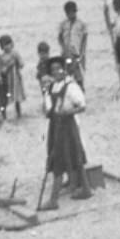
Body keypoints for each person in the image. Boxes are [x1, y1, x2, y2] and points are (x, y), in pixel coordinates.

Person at [40, 56, 92, 211]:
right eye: (53, 70)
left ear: (64, 69)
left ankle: (54, 199)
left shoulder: (71, 86)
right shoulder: (53, 87)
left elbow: (82, 106)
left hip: (68, 125)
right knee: (60, 157)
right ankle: (81, 188)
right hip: (56, 126)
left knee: (69, 157)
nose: (56, 72)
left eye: (59, 68)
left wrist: (69, 111)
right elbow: (47, 111)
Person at [57, 1, 87, 90]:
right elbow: (60, 38)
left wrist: (82, 51)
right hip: (67, 54)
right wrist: (64, 48)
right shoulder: (63, 24)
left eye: (72, 12)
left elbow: (84, 38)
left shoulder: (81, 24)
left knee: (79, 76)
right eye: (69, 13)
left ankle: (82, 94)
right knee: (67, 76)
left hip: (78, 54)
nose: (71, 15)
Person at [0, 35, 25, 120]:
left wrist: (17, 60)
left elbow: (22, 64)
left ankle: (19, 113)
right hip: (7, 80)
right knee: (5, 98)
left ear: (12, 44)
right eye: (4, 45)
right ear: (1, 46)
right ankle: (4, 114)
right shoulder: (1, 57)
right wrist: (9, 65)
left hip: (16, 78)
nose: (7, 46)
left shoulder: (15, 53)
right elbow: (1, 70)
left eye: (9, 44)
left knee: (17, 97)